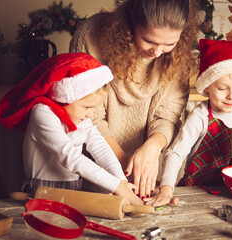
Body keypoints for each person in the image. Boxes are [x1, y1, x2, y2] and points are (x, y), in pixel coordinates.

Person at [69, 0, 200, 198]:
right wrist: (128, 168)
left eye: (169, 44)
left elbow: (169, 115)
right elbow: (88, 116)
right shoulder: (91, 36)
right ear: (131, 18)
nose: (157, 52)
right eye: (149, 40)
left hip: (144, 179)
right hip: (91, 174)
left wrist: (153, 147)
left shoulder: (180, 54)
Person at [0, 53, 143, 205]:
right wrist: (116, 186)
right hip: (41, 191)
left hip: (73, 190)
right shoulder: (42, 113)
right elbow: (70, 158)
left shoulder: (80, 117)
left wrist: (122, 182)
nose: (91, 114)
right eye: (87, 107)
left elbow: (100, 147)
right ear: (65, 97)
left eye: (94, 108)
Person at [144, 39, 232, 207]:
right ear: (207, 87)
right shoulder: (200, 115)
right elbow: (176, 153)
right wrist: (166, 188)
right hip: (199, 191)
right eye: (222, 88)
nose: (231, 96)